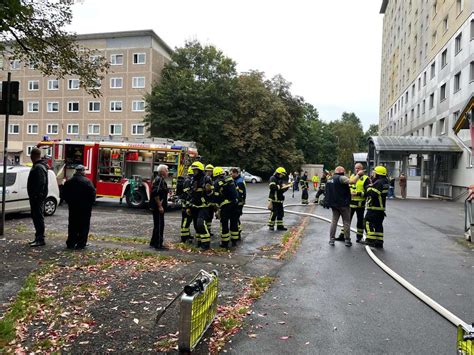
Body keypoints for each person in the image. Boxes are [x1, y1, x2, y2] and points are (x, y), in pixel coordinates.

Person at [324, 166, 364, 247]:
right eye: (344, 171)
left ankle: (331, 240)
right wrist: (359, 175)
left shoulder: (330, 179)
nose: (345, 172)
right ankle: (347, 240)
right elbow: (352, 181)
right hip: (343, 204)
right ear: (340, 171)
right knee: (346, 222)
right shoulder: (341, 178)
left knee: (334, 221)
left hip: (334, 204)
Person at [61, 165, 96, 249]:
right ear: (83, 171)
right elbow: (92, 195)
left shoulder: (69, 182)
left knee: (72, 225)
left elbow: (64, 194)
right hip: (85, 208)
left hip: (73, 208)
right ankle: (81, 243)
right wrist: (89, 204)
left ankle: (71, 242)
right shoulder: (87, 182)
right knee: (84, 225)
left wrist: (70, 202)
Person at [337, 163, 370, 243]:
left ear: (362, 169)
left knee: (360, 221)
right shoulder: (352, 177)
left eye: (358, 168)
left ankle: (359, 237)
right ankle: (342, 236)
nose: (357, 170)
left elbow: (368, 193)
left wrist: (358, 194)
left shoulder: (366, 179)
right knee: (346, 221)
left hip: (360, 204)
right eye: (356, 168)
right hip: (350, 204)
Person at [212, 167, 239, 248]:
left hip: (225, 206)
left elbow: (216, 196)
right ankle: (234, 241)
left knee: (224, 223)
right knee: (234, 222)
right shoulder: (230, 179)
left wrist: (216, 208)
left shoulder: (217, 182)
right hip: (235, 204)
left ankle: (225, 242)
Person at [27, 148, 49, 247]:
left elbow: (41, 183)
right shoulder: (39, 166)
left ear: (33, 156)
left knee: (38, 217)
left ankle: (40, 239)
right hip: (37, 197)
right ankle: (38, 237)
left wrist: (36, 195)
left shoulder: (39, 167)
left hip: (37, 198)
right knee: (37, 217)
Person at [189, 162, 213, 250]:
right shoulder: (193, 179)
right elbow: (191, 193)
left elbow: (211, 194)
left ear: (199, 170)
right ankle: (199, 242)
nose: (194, 171)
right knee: (195, 225)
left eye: (195, 170)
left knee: (200, 223)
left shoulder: (206, 179)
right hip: (194, 205)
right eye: (193, 170)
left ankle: (206, 244)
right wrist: (189, 205)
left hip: (204, 206)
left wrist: (209, 190)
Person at [364, 166, 390, 248]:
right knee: (378, 225)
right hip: (380, 208)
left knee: (367, 221)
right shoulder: (385, 181)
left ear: (377, 173)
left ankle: (370, 239)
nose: (373, 174)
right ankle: (379, 241)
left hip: (374, 207)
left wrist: (368, 187)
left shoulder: (379, 182)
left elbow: (372, 193)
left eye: (374, 172)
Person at [149, 164, 169, 249]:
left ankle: (153, 242)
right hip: (157, 207)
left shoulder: (160, 180)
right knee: (160, 225)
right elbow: (155, 193)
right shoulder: (159, 180)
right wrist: (160, 206)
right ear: (162, 172)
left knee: (157, 225)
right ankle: (158, 244)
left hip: (157, 206)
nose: (168, 172)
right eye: (167, 170)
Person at [179, 167, 194, 243]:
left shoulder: (188, 179)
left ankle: (187, 234)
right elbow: (187, 194)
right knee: (186, 220)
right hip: (186, 205)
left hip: (185, 204)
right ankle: (184, 237)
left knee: (187, 220)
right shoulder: (188, 180)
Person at [231, 168, 246, 239]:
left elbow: (240, 193)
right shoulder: (237, 180)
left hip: (238, 203)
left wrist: (238, 201)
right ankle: (237, 231)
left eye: (232, 173)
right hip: (238, 202)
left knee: (236, 217)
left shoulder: (239, 182)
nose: (231, 175)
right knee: (236, 218)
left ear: (236, 173)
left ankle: (238, 232)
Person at [204, 164, 216, 236]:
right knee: (205, 216)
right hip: (205, 201)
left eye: (211, 171)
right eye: (208, 171)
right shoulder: (204, 179)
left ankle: (208, 230)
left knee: (210, 217)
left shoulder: (214, 179)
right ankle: (205, 230)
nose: (209, 172)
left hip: (212, 201)